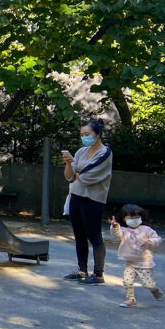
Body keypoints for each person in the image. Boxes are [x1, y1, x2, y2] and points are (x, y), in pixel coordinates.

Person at [61, 119, 112, 285]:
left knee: (94, 236)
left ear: (97, 134)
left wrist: (77, 173)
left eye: (87, 134)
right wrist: (69, 162)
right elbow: (69, 176)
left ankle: (98, 274)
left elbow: (88, 176)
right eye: (82, 134)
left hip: (93, 199)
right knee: (79, 235)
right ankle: (82, 270)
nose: (84, 137)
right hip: (76, 196)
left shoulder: (105, 152)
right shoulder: (81, 151)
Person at [109, 204, 163, 308]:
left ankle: (154, 290)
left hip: (145, 263)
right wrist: (115, 226)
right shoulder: (125, 231)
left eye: (137, 217)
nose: (134, 220)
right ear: (124, 219)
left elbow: (158, 239)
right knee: (127, 281)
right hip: (130, 263)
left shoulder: (146, 229)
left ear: (141, 217)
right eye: (130, 218)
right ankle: (130, 299)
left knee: (148, 284)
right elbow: (117, 234)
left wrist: (150, 241)